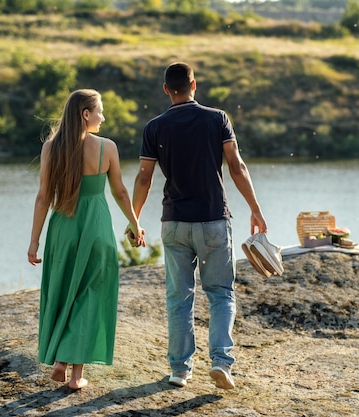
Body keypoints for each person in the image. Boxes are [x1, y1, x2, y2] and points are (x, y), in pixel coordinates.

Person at [132, 62, 268, 390]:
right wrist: (255, 209)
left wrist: (133, 219)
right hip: (213, 221)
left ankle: (180, 370)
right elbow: (236, 166)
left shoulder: (154, 127)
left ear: (166, 89)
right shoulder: (217, 118)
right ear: (194, 84)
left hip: (174, 222)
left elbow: (144, 177)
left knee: (179, 297)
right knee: (220, 293)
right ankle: (221, 362)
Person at [27, 89, 144, 390]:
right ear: (85, 114)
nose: (103, 118)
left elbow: (43, 198)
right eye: (100, 111)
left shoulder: (51, 148)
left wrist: (34, 242)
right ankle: (76, 375)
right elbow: (119, 192)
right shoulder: (107, 148)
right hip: (96, 228)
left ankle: (60, 361)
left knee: (64, 291)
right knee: (90, 295)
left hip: (63, 229)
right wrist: (135, 225)